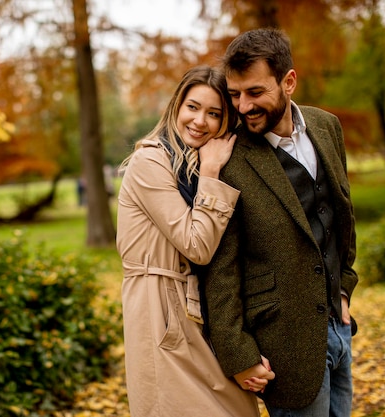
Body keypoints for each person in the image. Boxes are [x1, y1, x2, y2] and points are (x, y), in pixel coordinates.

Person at [202, 28, 359, 417]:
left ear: (289, 81)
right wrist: (238, 354)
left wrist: (345, 287)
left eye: (255, 93)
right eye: (235, 94)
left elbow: (341, 216)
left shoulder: (327, 126)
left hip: (338, 326)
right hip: (280, 344)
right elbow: (220, 270)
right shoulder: (231, 159)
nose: (242, 106)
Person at [116, 65, 274, 417]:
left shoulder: (190, 165)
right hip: (157, 305)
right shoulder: (151, 161)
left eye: (213, 113)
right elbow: (197, 244)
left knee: (237, 409)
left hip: (193, 305)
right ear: (176, 106)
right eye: (193, 107)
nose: (200, 121)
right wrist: (212, 173)